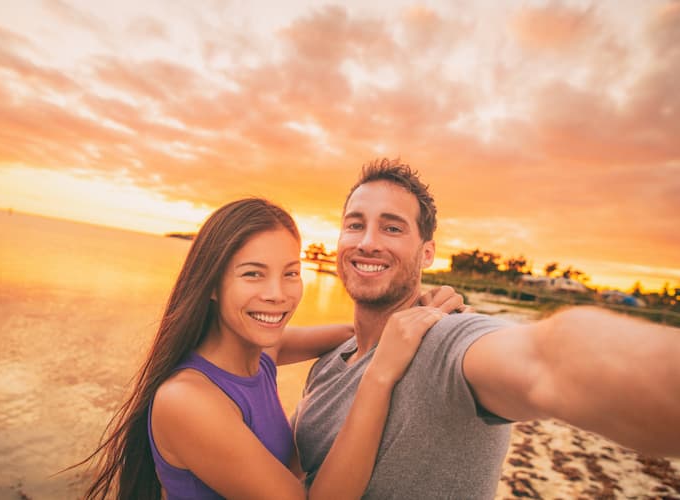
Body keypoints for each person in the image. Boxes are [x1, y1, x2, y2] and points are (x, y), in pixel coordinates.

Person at [292, 158, 680, 499]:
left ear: (427, 253)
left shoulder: (446, 341)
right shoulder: (328, 363)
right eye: (355, 225)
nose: (368, 242)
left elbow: (548, 360)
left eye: (392, 228)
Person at [76, 197, 463, 499]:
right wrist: (379, 376)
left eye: (291, 273)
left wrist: (420, 311)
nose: (278, 295)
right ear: (210, 284)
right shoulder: (186, 400)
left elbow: (358, 332)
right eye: (253, 274)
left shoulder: (261, 354)